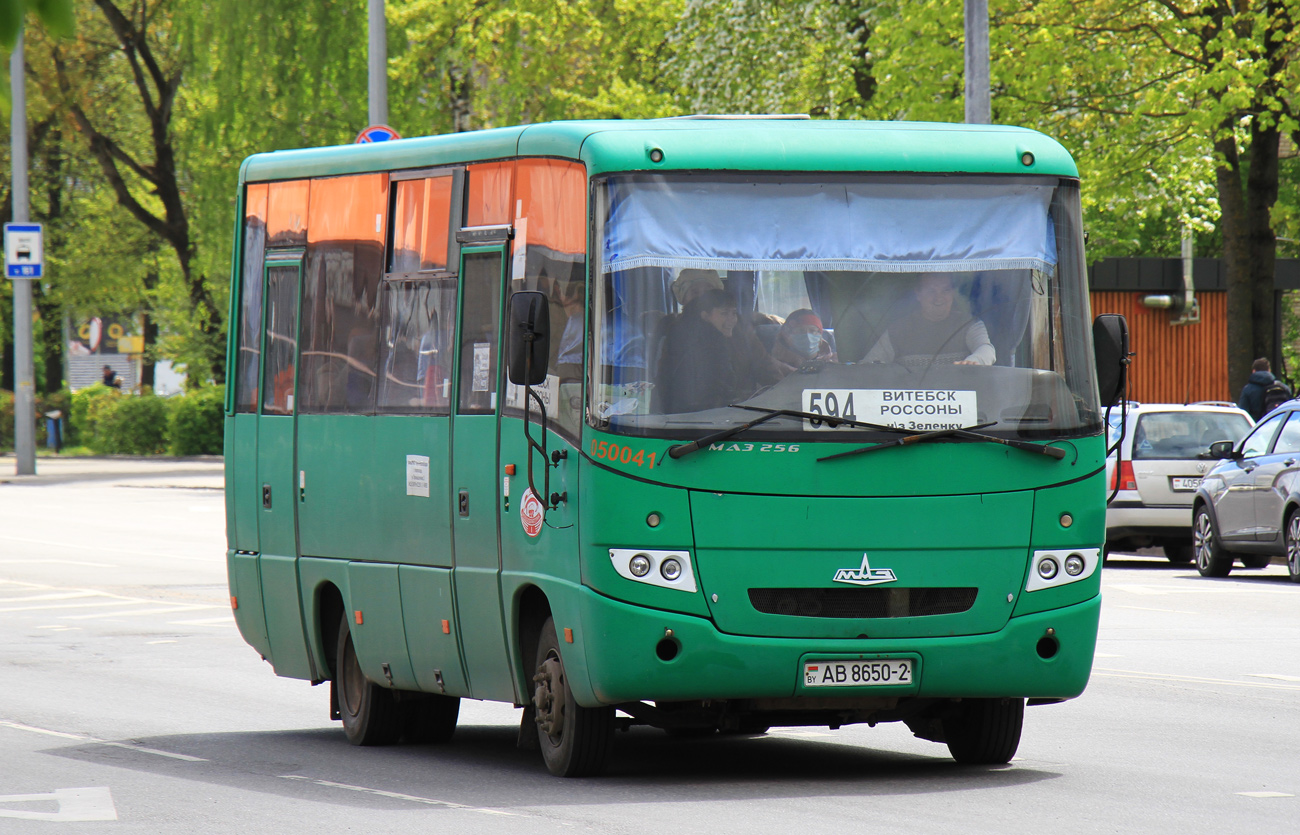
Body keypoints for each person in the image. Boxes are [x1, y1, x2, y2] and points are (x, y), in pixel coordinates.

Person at [659, 289, 762, 413]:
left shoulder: (688, 335)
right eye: (724, 313)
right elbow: (717, 394)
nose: (731, 320)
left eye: (733, 313)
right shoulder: (709, 345)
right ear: (705, 316)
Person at [863, 272, 995, 368]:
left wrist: (974, 361)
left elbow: (986, 350)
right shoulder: (897, 330)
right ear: (918, 294)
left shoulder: (969, 324)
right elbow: (869, 366)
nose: (939, 298)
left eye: (945, 290)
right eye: (931, 291)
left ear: (953, 293)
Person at [771, 309, 836, 375]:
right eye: (801, 331)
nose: (807, 336)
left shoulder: (835, 363)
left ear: (820, 335)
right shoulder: (775, 368)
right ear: (787, 336)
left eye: (812, 330)